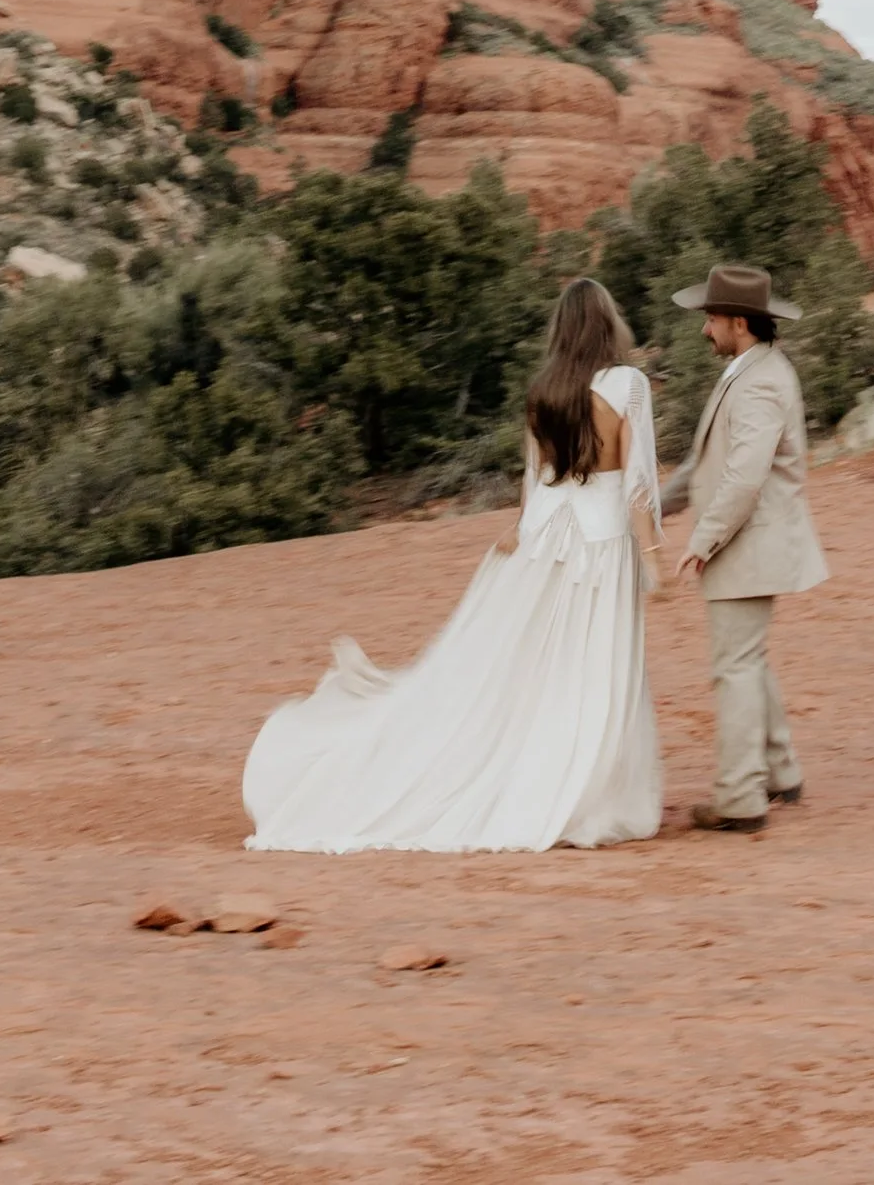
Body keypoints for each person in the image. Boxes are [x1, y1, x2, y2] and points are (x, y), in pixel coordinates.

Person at [241, 274, 663, 853]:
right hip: (602, 545)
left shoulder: (543, 390)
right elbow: (637, 482)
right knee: (590, 665)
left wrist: (520, 535)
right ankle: (585, 790)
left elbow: (534, 480)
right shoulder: (629, 384)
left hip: (546, 545)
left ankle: (531, 775)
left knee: (530, 670)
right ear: (606, 325)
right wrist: (653, 554)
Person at [663, 260, 828, 833]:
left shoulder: (759, 380)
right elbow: (705, 464)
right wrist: (656, 507)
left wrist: (702, 541)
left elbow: (744, 478)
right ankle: (781, 772)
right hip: (751, 543)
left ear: (737, 321)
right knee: (748, 660)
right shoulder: (750, 367)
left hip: (747, 545)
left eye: (710, 319)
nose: (704, 329)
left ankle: (739, 798)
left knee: (733, 667)